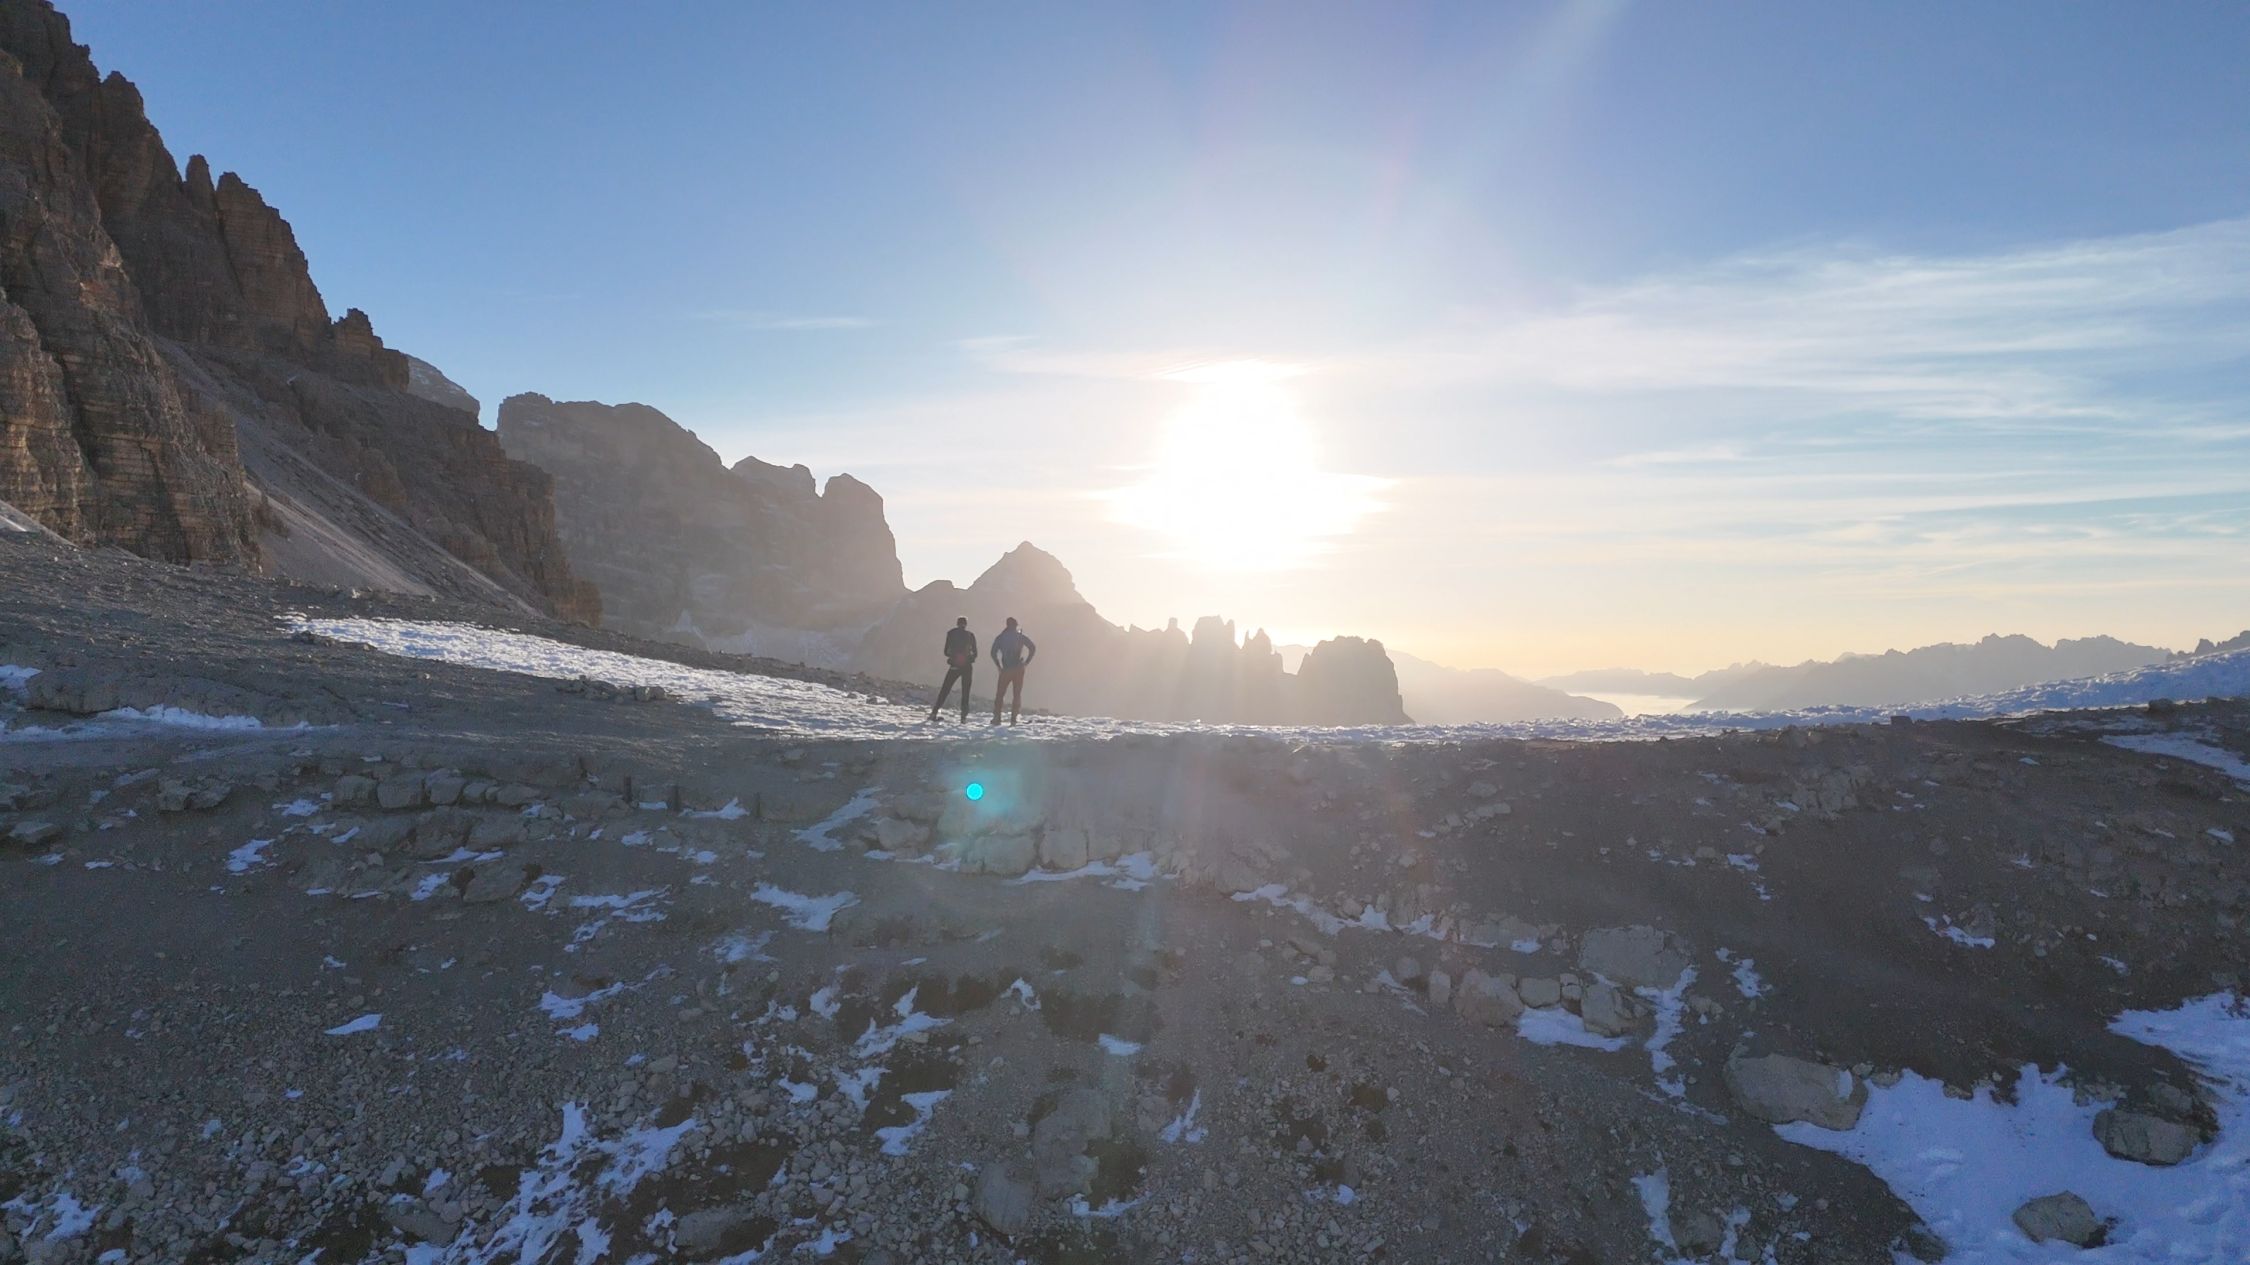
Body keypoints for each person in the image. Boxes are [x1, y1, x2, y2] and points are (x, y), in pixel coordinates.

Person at [989, 615, 1037, 724]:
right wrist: (1026, 662)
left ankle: (997, 718)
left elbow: (993, 653)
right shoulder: (1020, 636)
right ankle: (1014, 719)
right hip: (1019, 669)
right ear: (1015, 625)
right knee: (1017, 694)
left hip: (1006, 669)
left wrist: (998, 666)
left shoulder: (1001, 637)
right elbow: (1032, 647)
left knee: (1000, 694)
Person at [928, 617, 977, 721]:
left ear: (957, 623)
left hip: (955, 665)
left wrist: (954, 657)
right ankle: (963, 717)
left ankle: (934, 712)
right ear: (966, 624)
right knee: (965, 691)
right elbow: (975, 653)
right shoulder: (970, 635)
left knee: (945, 689)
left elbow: (946, 651)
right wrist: (968, 658)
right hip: (967, 666)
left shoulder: (951, 634)